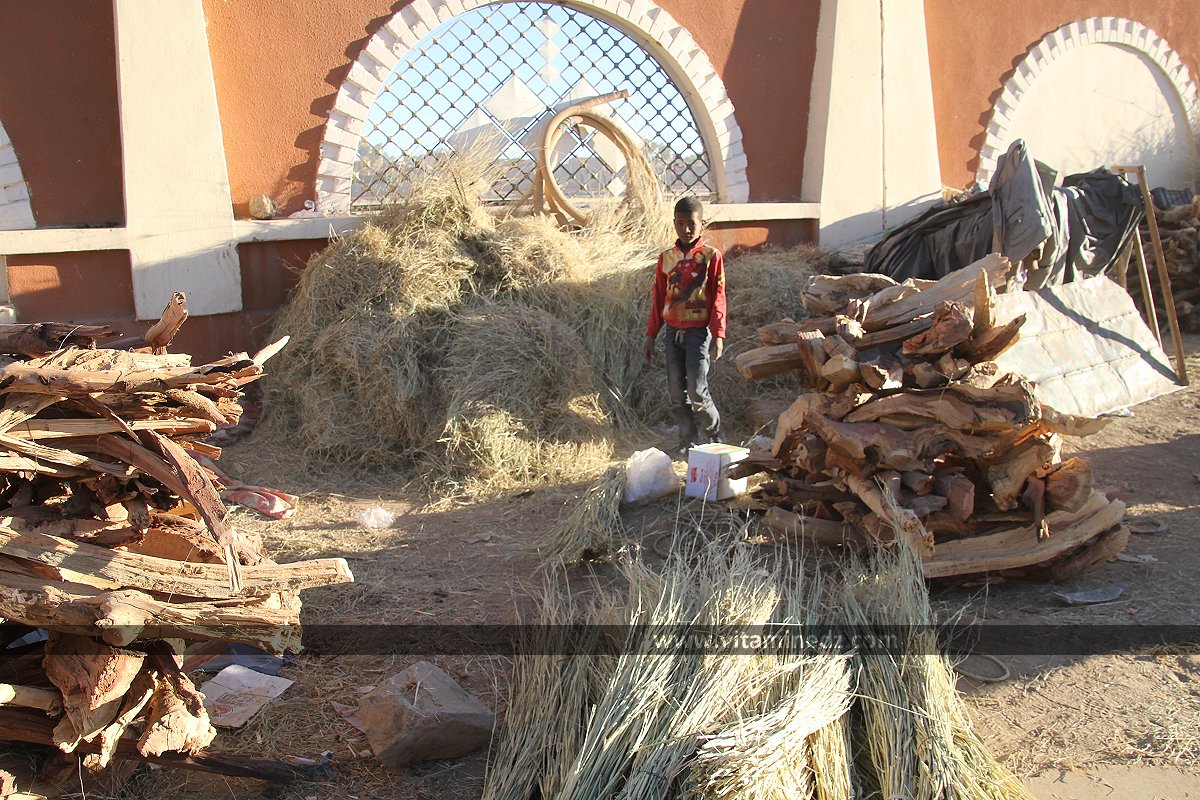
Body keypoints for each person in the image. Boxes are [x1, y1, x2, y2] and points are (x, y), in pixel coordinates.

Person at [643, 196, 726, 456]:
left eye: (691, 224)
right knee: (678, 393)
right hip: (672, 333)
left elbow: (718, 296)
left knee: (697, 391)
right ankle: (688, 441)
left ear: (702, 224)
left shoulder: (711, 257)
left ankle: (716, 437)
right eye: (680, 224)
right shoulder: (666, 258)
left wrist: (719, 334)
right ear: (674, 224)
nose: (686, 230)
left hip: (698, 334)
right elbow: (658, 298)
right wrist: (651, 334)